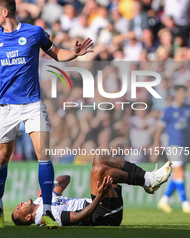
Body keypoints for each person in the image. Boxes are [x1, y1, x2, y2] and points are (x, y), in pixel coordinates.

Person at [0, 0, 94, 228]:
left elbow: (57, 53)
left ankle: (47, 211)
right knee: (2, 157)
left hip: (32, 103)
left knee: (43, 154)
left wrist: (74, 53)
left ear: (5, 12)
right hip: (6, 107)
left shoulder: (34, 32)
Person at [11, 154, 172, 227]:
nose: (19, 204)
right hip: (102, 214)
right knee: (98, 171)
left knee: (100, 157)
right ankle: (148, 181)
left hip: (102, 204)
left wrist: (51, 185)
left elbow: (66, 178)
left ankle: (147, 177)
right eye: (19, 209)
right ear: (27, 218)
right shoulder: (44, 217)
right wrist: (99, 197)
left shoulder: (41, 202)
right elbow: (80, 216)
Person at [155, 85, 190, 213]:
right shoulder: (168, 111)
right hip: (173, 145)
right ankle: (186, 204)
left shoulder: (188, 109)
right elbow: (159, 129)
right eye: (181, 93)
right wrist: (156, 143)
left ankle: (164, 201)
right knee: (179, 171)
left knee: (178, 174)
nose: (184, 95)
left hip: (186, 145)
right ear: (175, 93)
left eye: (185, 93)